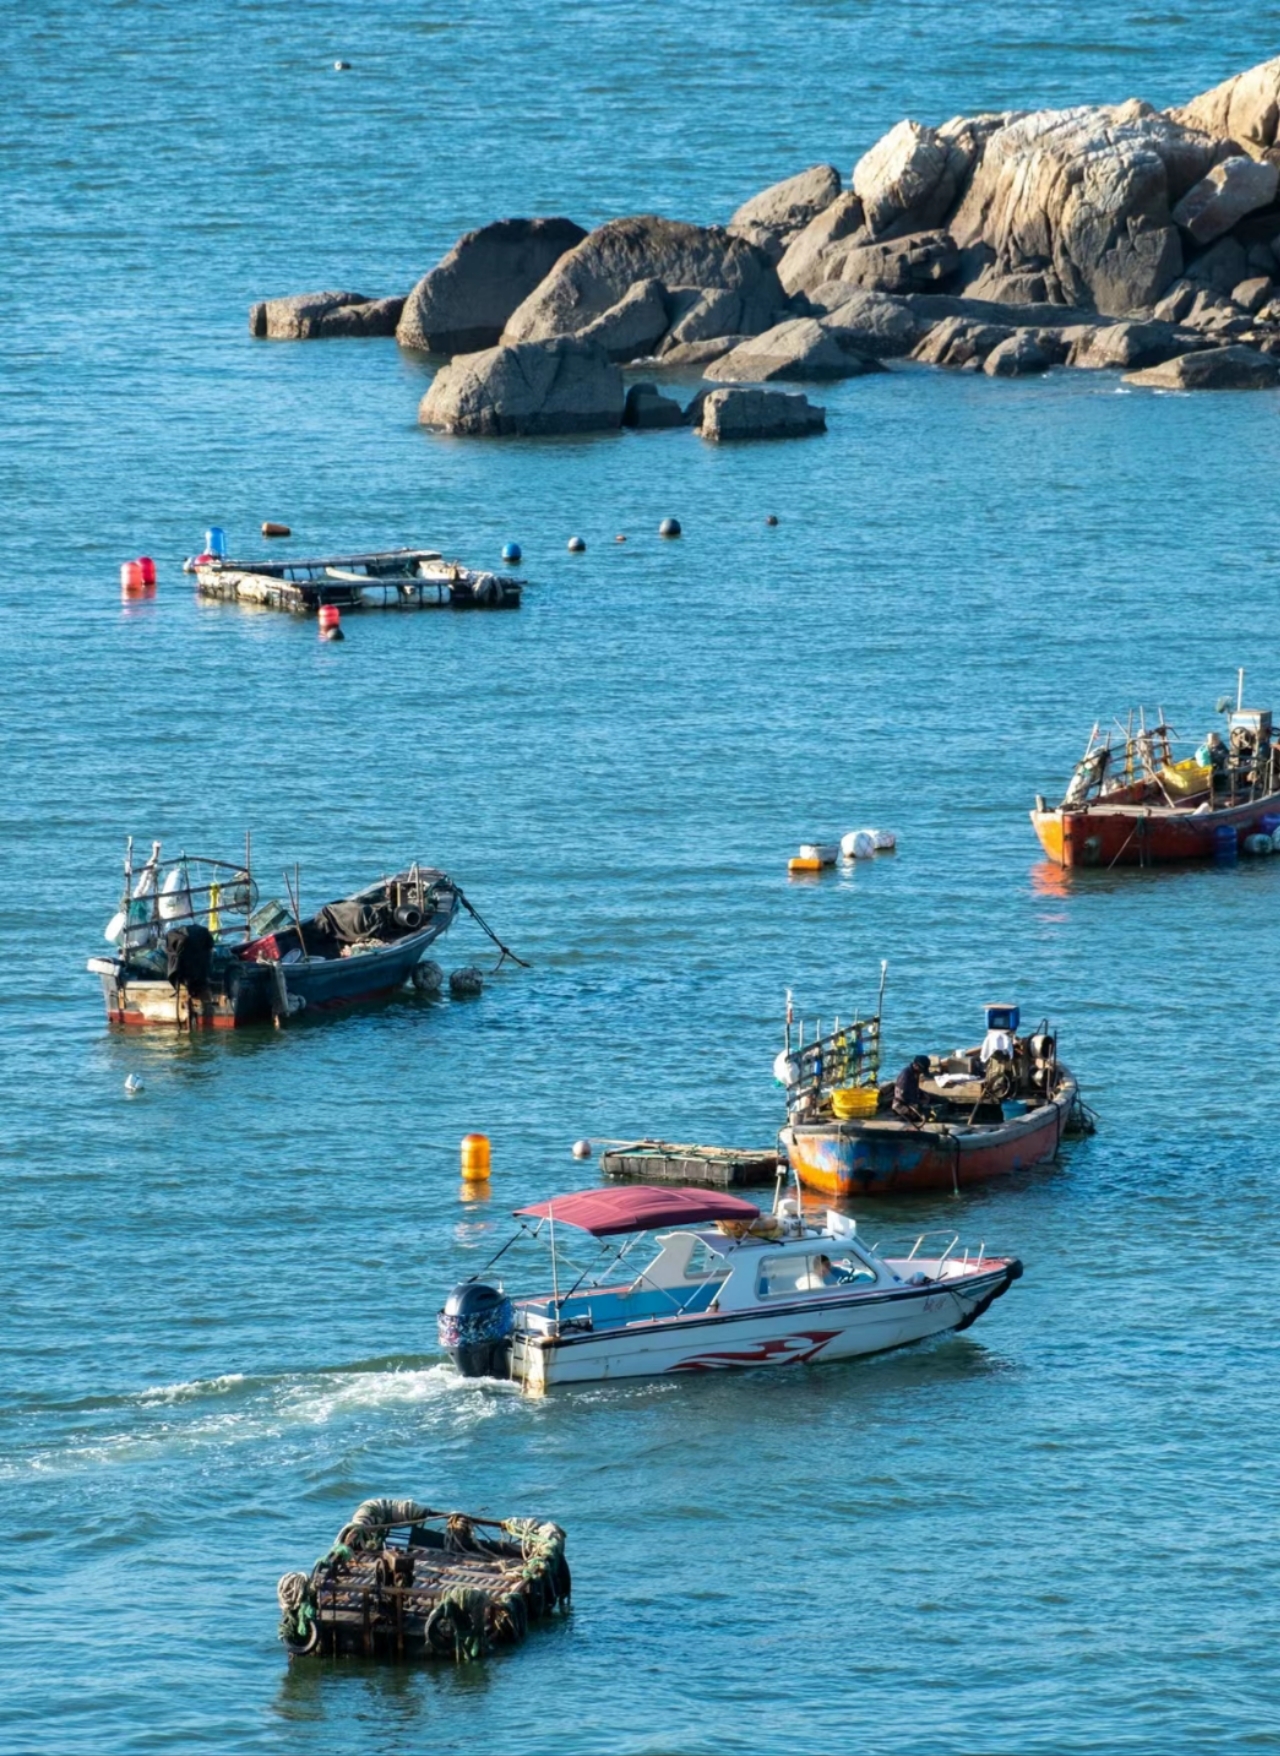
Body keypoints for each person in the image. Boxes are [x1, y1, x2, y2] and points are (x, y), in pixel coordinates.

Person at [892, 1054, 931, 1123]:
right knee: (921, 1115)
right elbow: (902, 1096)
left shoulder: (915, 1073)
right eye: (921, 1070)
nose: (921, 1072)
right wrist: (919, 1102)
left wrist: (923, 1094)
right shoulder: (905, 1076)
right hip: (901, 1104)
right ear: (915, 1065)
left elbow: (914, 1088)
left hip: (912, 1100)